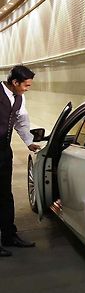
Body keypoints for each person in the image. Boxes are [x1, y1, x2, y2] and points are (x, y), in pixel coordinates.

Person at [0, 65, 40, 257]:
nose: (27, 88)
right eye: (26, 85)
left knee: (5, 195)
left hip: (3, 150)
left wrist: (29, 142)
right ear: (15, 82)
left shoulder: (18, 98)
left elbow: (21, 120)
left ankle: (9, 236)